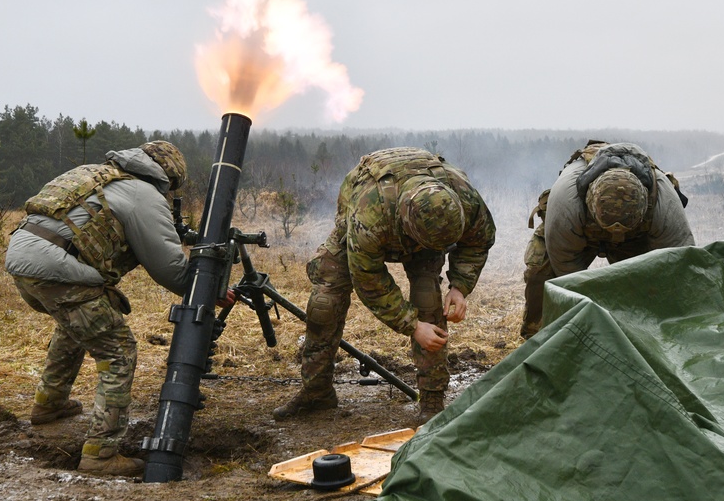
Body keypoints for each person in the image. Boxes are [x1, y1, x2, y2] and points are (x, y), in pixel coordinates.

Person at [5, 140, 191, 477]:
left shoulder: (96, 174)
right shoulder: (143, 194)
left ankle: (50, 403)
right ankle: (101, 453)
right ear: (168, 179)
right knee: (118, 351)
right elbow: (171, 270)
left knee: (76, 322)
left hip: (22, 261)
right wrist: (207, 278)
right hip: (59, 270)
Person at [272, 147, 496, 426]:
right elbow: (369, 279)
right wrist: (412, 325)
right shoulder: (370, 213)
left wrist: (460, 286)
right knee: (324, 303)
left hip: (416, 228)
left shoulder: (463, 196)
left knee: (428, 301)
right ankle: (316, 392)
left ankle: (432, 400)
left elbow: (479, 240)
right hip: (367, 224)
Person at [519, 140, 693, 339]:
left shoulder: (664, 206)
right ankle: (541, 338)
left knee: (647, 288)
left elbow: (680, 268)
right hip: (579, 232)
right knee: (541, 276)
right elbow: (566, 273)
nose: (615, 233)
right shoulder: (567, 204)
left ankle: (643, 338)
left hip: (635, 238)